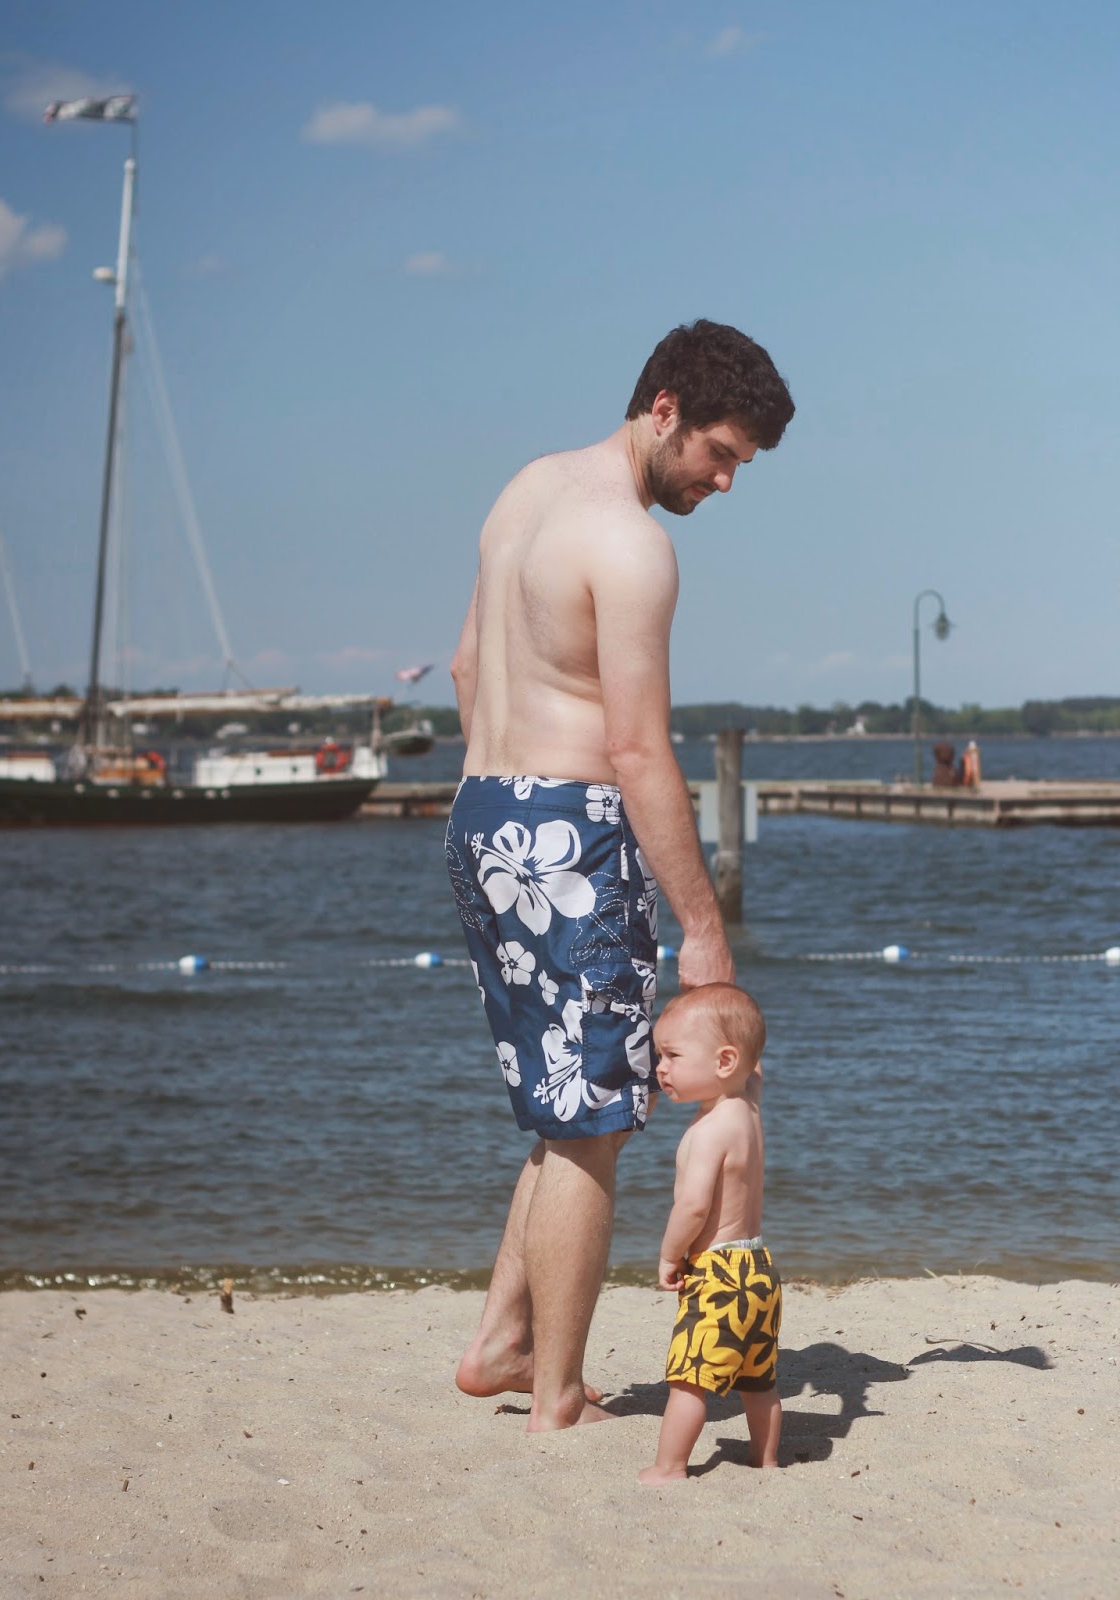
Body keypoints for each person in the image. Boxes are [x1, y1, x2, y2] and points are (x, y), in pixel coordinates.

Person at [445, 319, 795, 1432]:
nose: (725, 482)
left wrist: (507, 794)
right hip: (569, 830)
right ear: (664, 410)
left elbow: (465, 664)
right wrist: (704, 924)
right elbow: (639, 751)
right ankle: (555, 1393)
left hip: (483, 813)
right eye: (720, 453)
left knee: (566, 1110)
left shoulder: (525, 490)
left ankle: (502, 1343)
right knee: (595, 1121)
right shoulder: (632, 545)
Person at [638, 983, 781, 1483]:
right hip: (759, 1269)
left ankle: (670, 1466)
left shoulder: (707, 1132)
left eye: (673, 1056)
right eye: (660, 1055)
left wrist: (668, 1255)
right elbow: (754, 1066)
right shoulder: (749, 1107)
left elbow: (694, 1206)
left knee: (689, 1379)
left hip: (718, 1273)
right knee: (758, 1381)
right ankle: (765, 1460)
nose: (660, 1068)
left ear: (723, 1061)